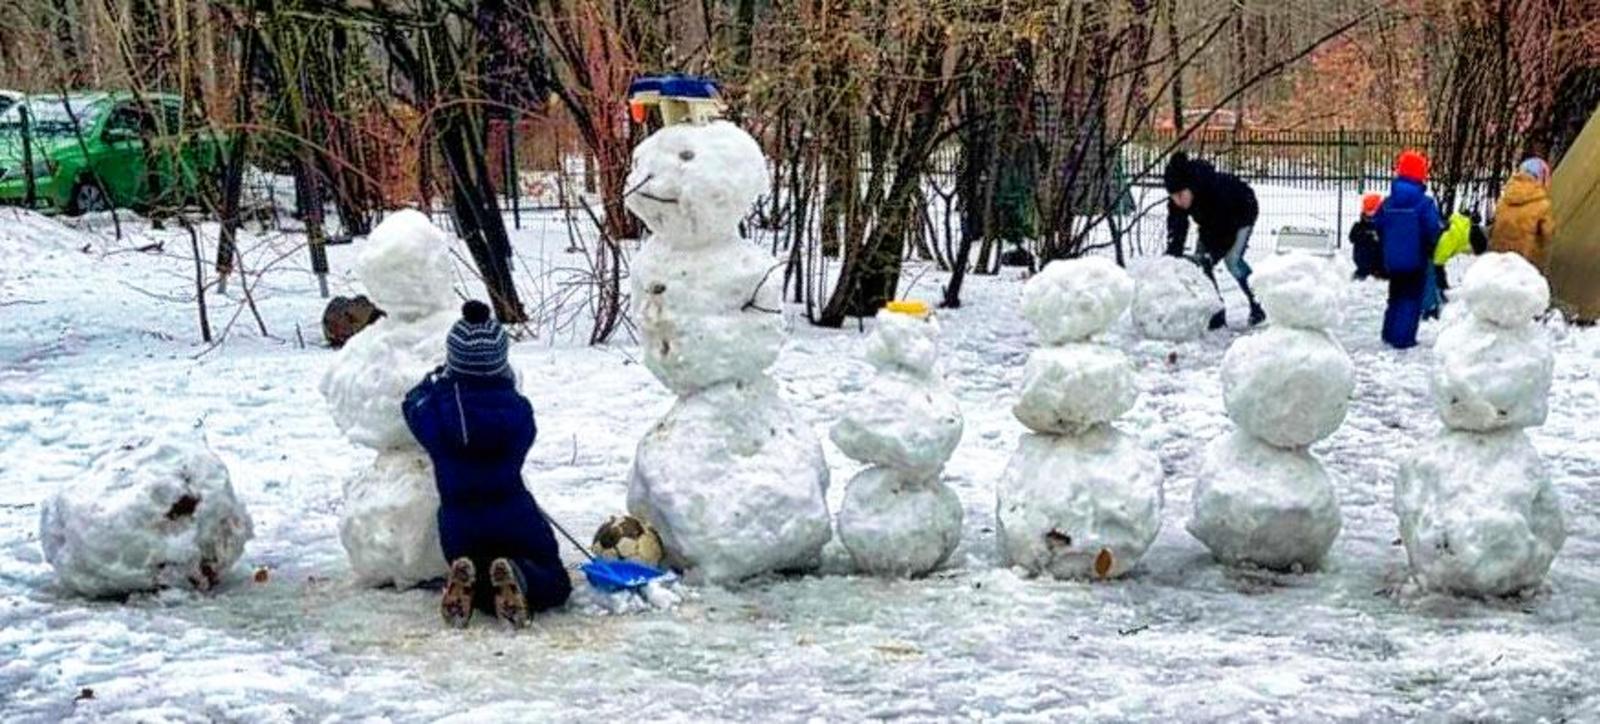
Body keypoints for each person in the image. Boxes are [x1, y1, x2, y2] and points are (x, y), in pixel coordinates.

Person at [403, 300, 571, 628]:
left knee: (476, 567)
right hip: (514, 513)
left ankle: (471, 581)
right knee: (555, 580)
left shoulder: (436, 414)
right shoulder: (519, 411)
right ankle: (519, 574)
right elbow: (526, 434)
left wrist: (434, 383)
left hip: (459, 520)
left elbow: (412, 404)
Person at [1164, 152, 1265, 329]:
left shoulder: (1214, 190)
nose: (1178, 201)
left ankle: (1259, 303)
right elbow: (1177, 228)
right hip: (1211, 225)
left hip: (1242, 214)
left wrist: (1213, 253)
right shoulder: (1178, 201)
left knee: (1232, 260)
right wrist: (1173, 254)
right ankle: (1216, 312)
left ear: (1190, 187)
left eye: (1180, 194)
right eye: (1173, 196)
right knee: (1202, 263)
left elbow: (1223, 229)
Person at [1374, 150, 1444, 349]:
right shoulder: (1425, 203)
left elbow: (1378, 223)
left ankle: (1389, 333)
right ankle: (1403, 338)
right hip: (1416, 259)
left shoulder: (1388, 202)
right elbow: (1432, 228)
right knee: (1411, 299)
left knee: (1395, 297)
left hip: (1393, 259)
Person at [1489, 156, 1556, 271]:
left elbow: (1495, 225)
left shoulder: (1504, 199)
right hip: (1527, 262)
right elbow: (1548, 233)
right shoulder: (1542, 204)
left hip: (1500, 259)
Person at [1424, 209, 1478, 318]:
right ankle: (1431, 306)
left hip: (1429, 248)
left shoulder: (1459, 229)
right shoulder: (1457, 235)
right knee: (1431, 276)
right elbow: (1438, 262)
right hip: (1427, 249)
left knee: (1431, 276)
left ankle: (1433, 303)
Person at [1350, 193, 1386, 280]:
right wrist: (1366, 235)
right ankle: (1363, 272)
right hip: (1364, 262)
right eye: (1368, 213)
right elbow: (1352, 237)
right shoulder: (1359, 226)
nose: (1370, 217)